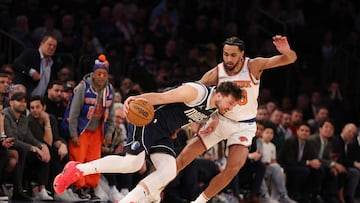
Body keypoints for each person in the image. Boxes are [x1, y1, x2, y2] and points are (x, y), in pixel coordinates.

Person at [53, 81, 243, 203]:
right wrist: (136, 99)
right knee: (132, 163)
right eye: (231, 102)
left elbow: (185, 113)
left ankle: (138, 198)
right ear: (219, 94)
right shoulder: (196, 92)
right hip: (148, 119)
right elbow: (162, 97)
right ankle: (77, 170)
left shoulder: (214, 107)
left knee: (169, 171)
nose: (231, 107)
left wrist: (183, 126)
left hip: (165, 131)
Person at [176, 35, 297, 203]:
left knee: (232, 168)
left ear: (242, 54)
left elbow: (290, 59)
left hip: (244, 126)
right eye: (225, 54)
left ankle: (200, 201)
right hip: (220, 119)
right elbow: (194, 96)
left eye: (233, 55)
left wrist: (286, 51)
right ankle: (154, 188)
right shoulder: (217, 72)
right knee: (184, 157)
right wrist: (188, 122)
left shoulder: (254, 66)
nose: (228, 59)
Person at [60, 54, 115, 200]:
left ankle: (90, 188)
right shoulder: (82, 87)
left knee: (94, 160)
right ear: (93, 73)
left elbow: (112, 114)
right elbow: (73, 113)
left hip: (97, 131)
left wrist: (109, 133)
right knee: (78, 158)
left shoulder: (110, 90)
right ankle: (77, 188)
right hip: (81, 129)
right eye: (99, 73)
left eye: (104, 74)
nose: (101, 77)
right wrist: (73, 134)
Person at [2, 92, 51, 201]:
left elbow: (28, 136)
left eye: (24, 101)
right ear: (11, 102)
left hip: (19, 148)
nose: (23, 104)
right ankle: (14, 188)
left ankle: (23, 190)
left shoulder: (24, 118)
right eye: (19, 101)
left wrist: (40, 146)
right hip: (5, 146)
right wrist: (33, 148)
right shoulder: (5, 115)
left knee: (40, 152)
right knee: (20, 151)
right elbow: (12, 138)